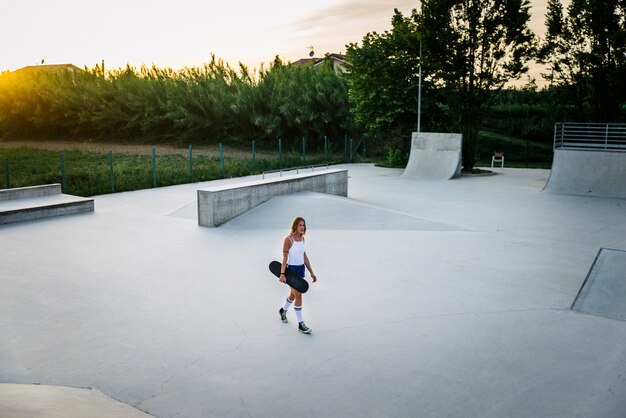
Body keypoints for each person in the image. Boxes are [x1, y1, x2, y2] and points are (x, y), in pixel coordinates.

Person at [278, 216, 317, 334]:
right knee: (299, 296)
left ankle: (283, 310)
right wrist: (282, 274)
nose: (302, 227)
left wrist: (311, 272)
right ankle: (301, 324)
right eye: (300, 225)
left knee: (293, 295)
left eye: (303, 225)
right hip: (292, 271)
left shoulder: (302, 239)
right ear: (295, 226)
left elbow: (304, 256)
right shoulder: (288, 239)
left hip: (301, 270)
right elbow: (284, 258)